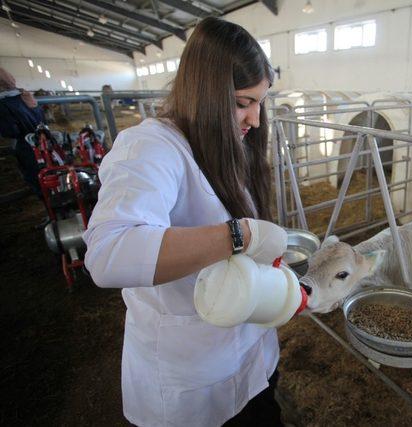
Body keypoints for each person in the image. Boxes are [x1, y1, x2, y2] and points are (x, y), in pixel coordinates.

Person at [83, 17, 289, 426]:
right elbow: (108, 254)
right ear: (206, 93)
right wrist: (239, 234)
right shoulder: (149, 147)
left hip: (254, 356)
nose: (256, 120)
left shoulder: (227, 145)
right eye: (243, 102)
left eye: (260, 102)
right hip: (194, 378)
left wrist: (279, 291)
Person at [0, 68, 45, 196]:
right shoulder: (26, 96)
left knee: (36, 179)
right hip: (44, 141)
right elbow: (42, 118)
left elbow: (10, 131)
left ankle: (52, 212)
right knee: (51, 174)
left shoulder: (3, 104)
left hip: (26, 146)